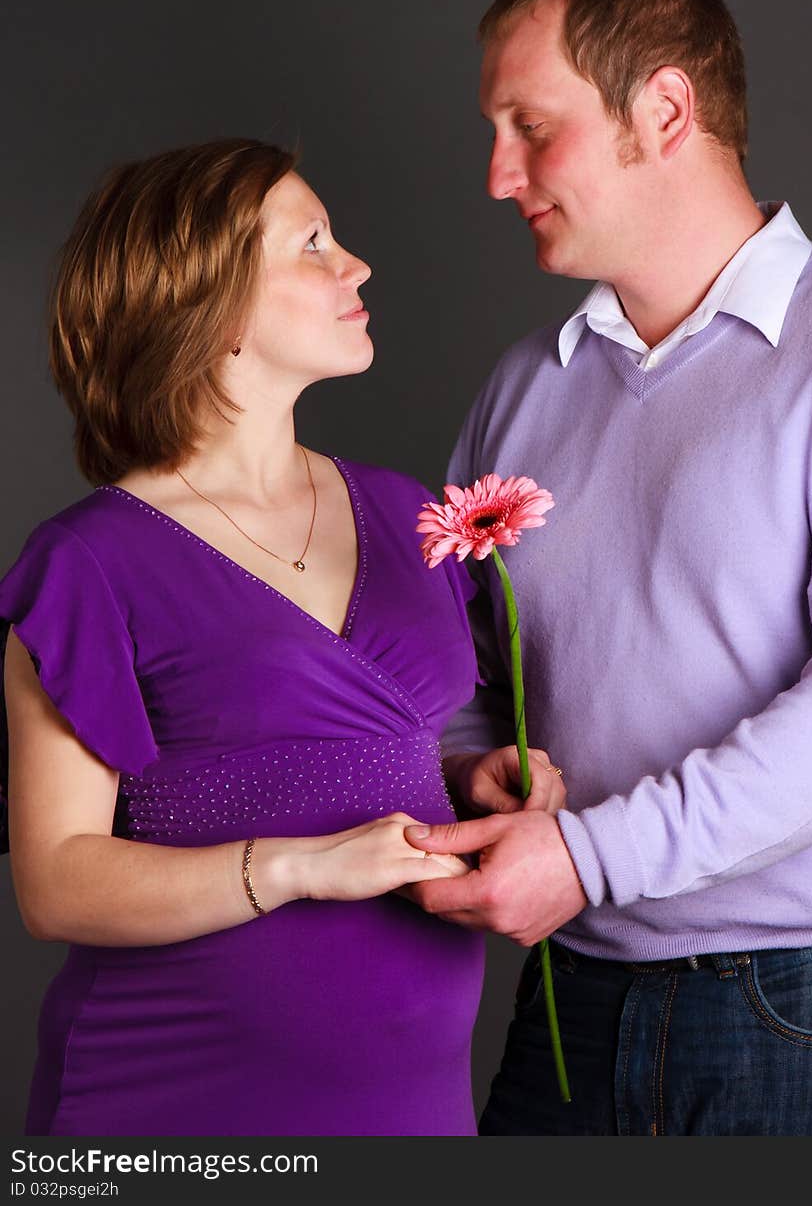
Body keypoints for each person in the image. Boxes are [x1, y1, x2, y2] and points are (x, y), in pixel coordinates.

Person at [404, 0, 812, 1135]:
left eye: (529, 125)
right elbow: (450, 670)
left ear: (661, 108)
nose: (498, 175)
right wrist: (474, 766)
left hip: (808, 1008)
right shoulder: (521, 389)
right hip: (569, 1003)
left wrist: (592, 857)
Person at [0, 137, 566, 1136]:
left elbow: (361, 754)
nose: (357, 265)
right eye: (314, 243)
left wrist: (466, 778)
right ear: (209, 308)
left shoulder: (404, 514)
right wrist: (302, 866)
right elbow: (56, 879)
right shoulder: (90, 562)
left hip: (412, 1103)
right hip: (172, 1097)